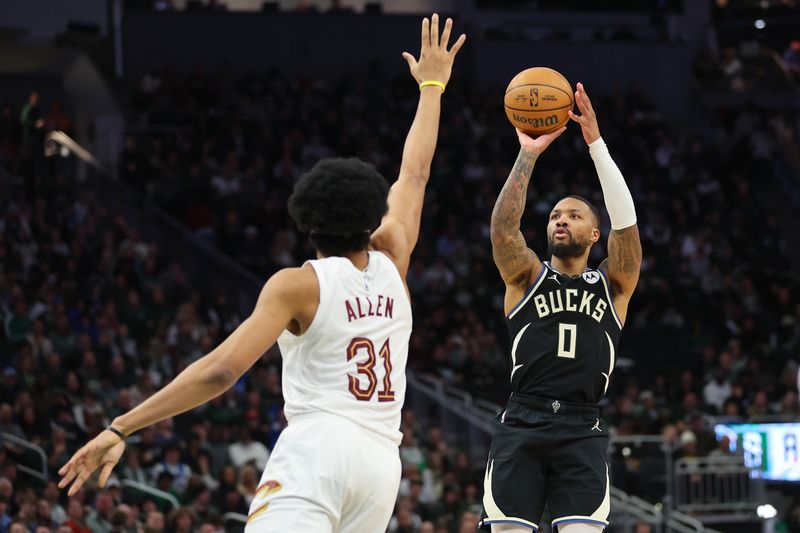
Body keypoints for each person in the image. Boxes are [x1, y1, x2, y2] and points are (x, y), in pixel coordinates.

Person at [57, 13, 466, 533]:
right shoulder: (394, 256)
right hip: (383, 464)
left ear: (306, 222)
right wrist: (432, 87)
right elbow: (414, 173)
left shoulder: (297, 284)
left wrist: (122, 426)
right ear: (369, 217)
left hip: (319, 449)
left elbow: (221, 371)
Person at [480, 83, 642, 532]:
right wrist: (527, 155)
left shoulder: (614, 283)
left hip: (582, 425)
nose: (560, 220)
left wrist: (596, 145)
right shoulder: (527, 276)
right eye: (554, 215)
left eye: (573, 215)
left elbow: (626, 225)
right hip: (522, 419)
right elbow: (502, 229)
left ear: (595, 235)